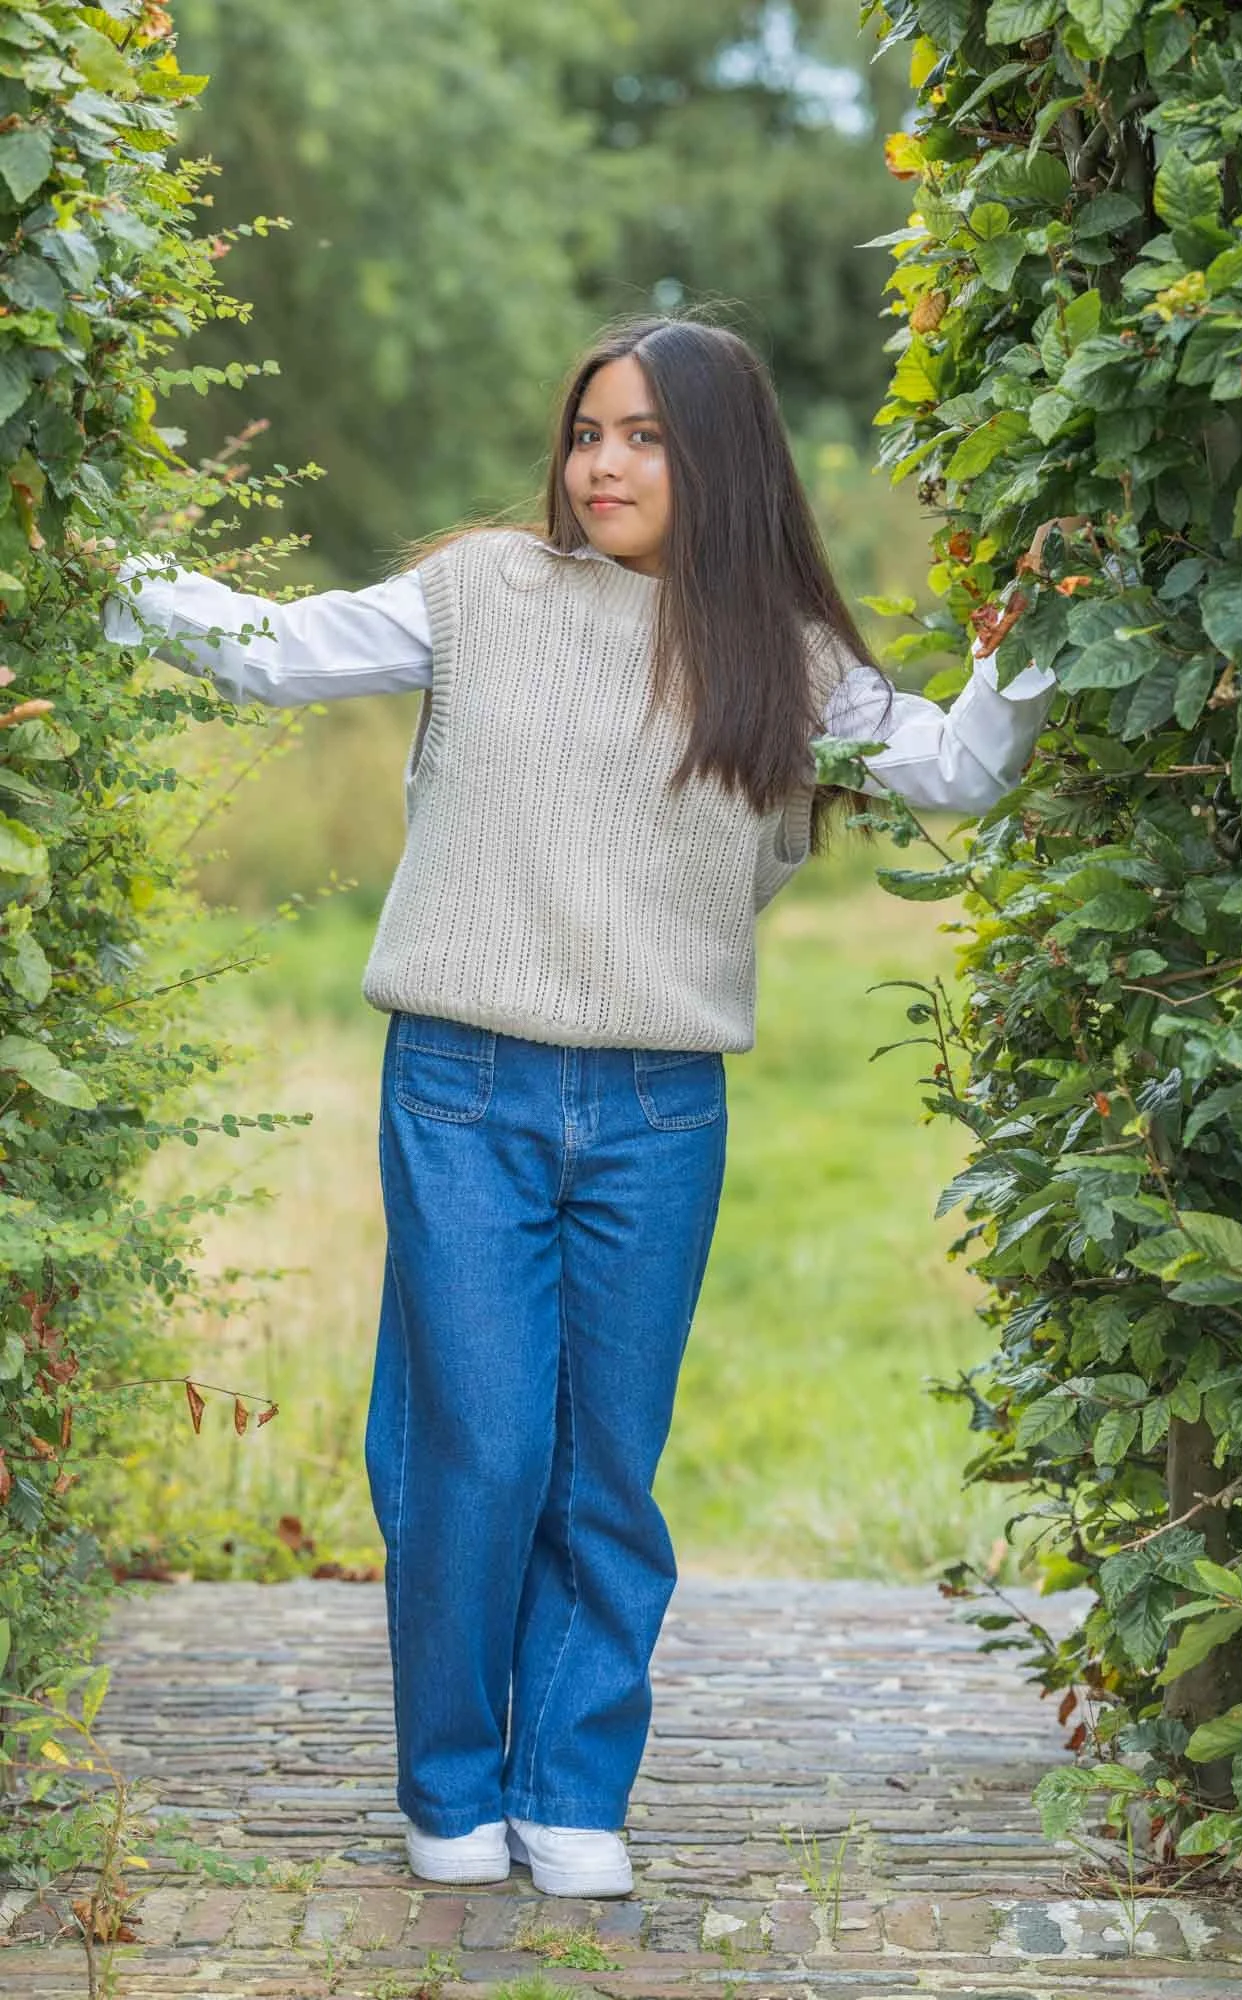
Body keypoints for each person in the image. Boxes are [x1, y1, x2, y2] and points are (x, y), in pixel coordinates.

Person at [101, 315, 1057, 1900]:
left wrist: (1045, 627)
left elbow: (956, 769)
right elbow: (266, 649)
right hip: (462, 1086)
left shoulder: (782, 657)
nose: (602, 465)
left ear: (721, 460)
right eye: (587, 431)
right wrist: (85, 543)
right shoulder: (482, 592)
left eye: (645, 438)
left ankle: (570, 1789)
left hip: (659, 1108)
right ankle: (451, 1786)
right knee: (475, 1448)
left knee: (605, 1465)